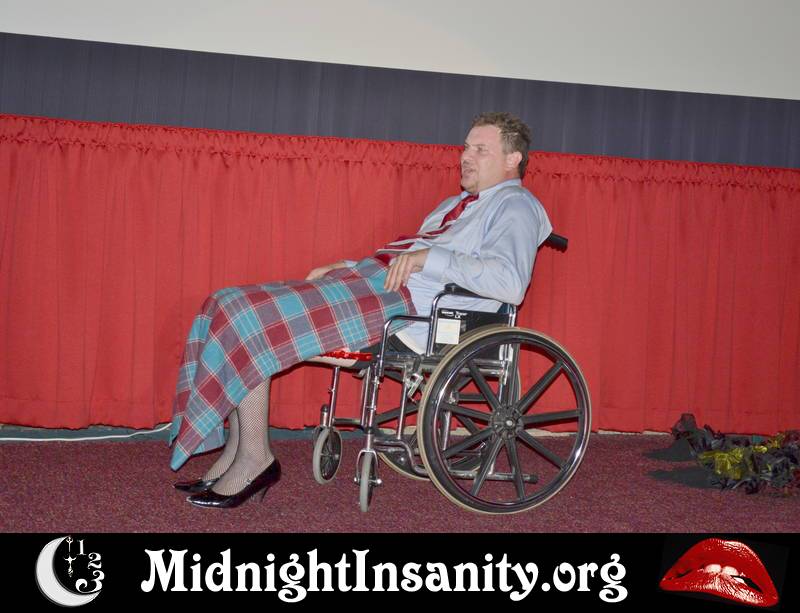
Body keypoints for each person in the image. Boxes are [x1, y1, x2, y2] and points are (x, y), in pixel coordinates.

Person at [170, 111, 553, 508]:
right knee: (225, 303)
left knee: (250, 318)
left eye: (480, 150)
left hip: (409, 310)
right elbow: (408, 258)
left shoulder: (516, 206)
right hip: (375, 286)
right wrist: (352, 266)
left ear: (513, 159)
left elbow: (509, 282)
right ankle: (236, 450)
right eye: (466, 147)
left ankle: (255, 459)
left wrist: (430, 258)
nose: (465, 157)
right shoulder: (455, 205)